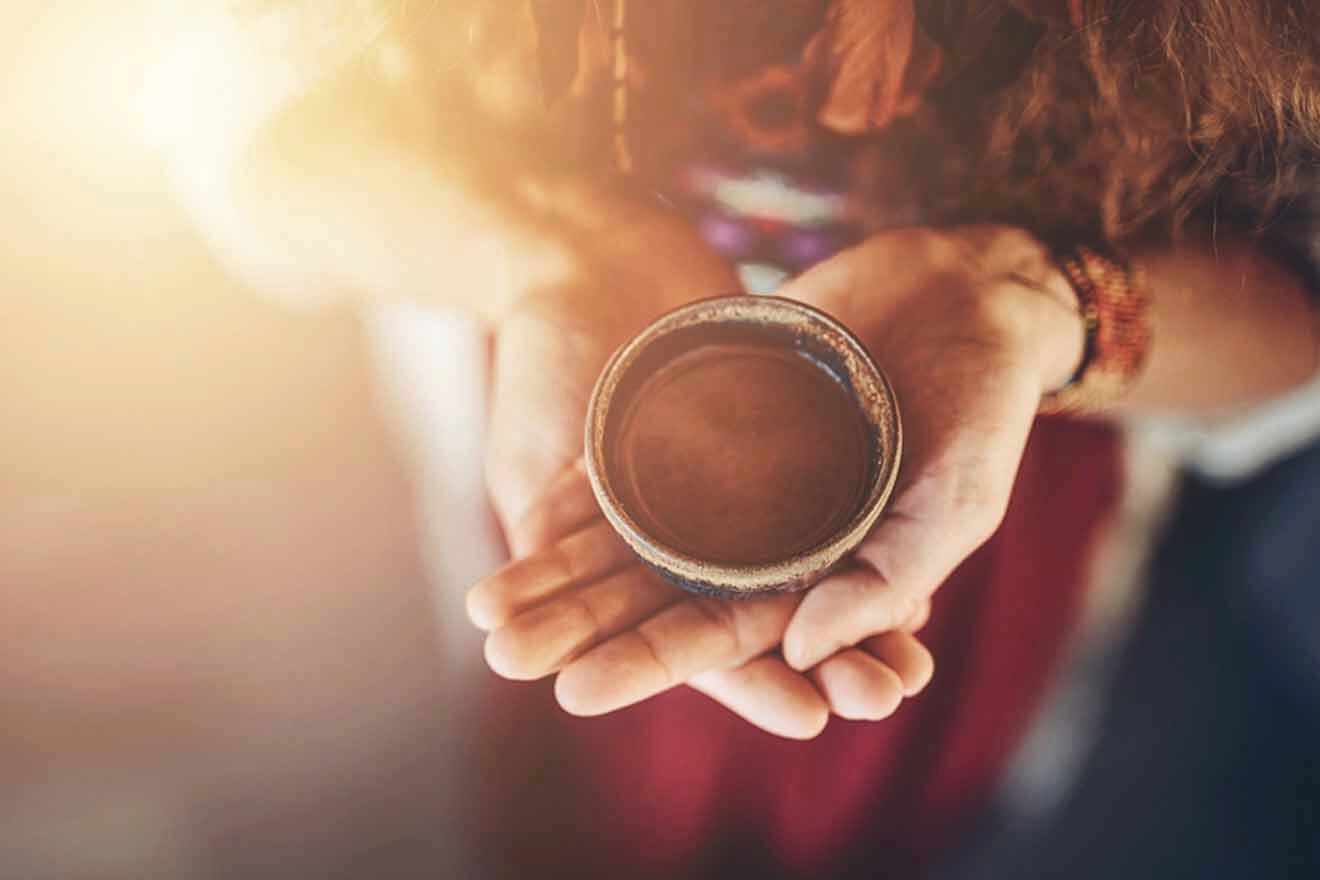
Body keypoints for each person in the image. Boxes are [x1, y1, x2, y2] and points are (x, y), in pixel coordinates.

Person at [162, 1, 1320, 876]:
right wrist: (536, 258)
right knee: (579, 779)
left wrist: (1035, 306)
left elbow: (1302, 317)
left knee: (941, 796)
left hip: (1006, 505)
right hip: (546, 415)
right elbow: (234, 134)